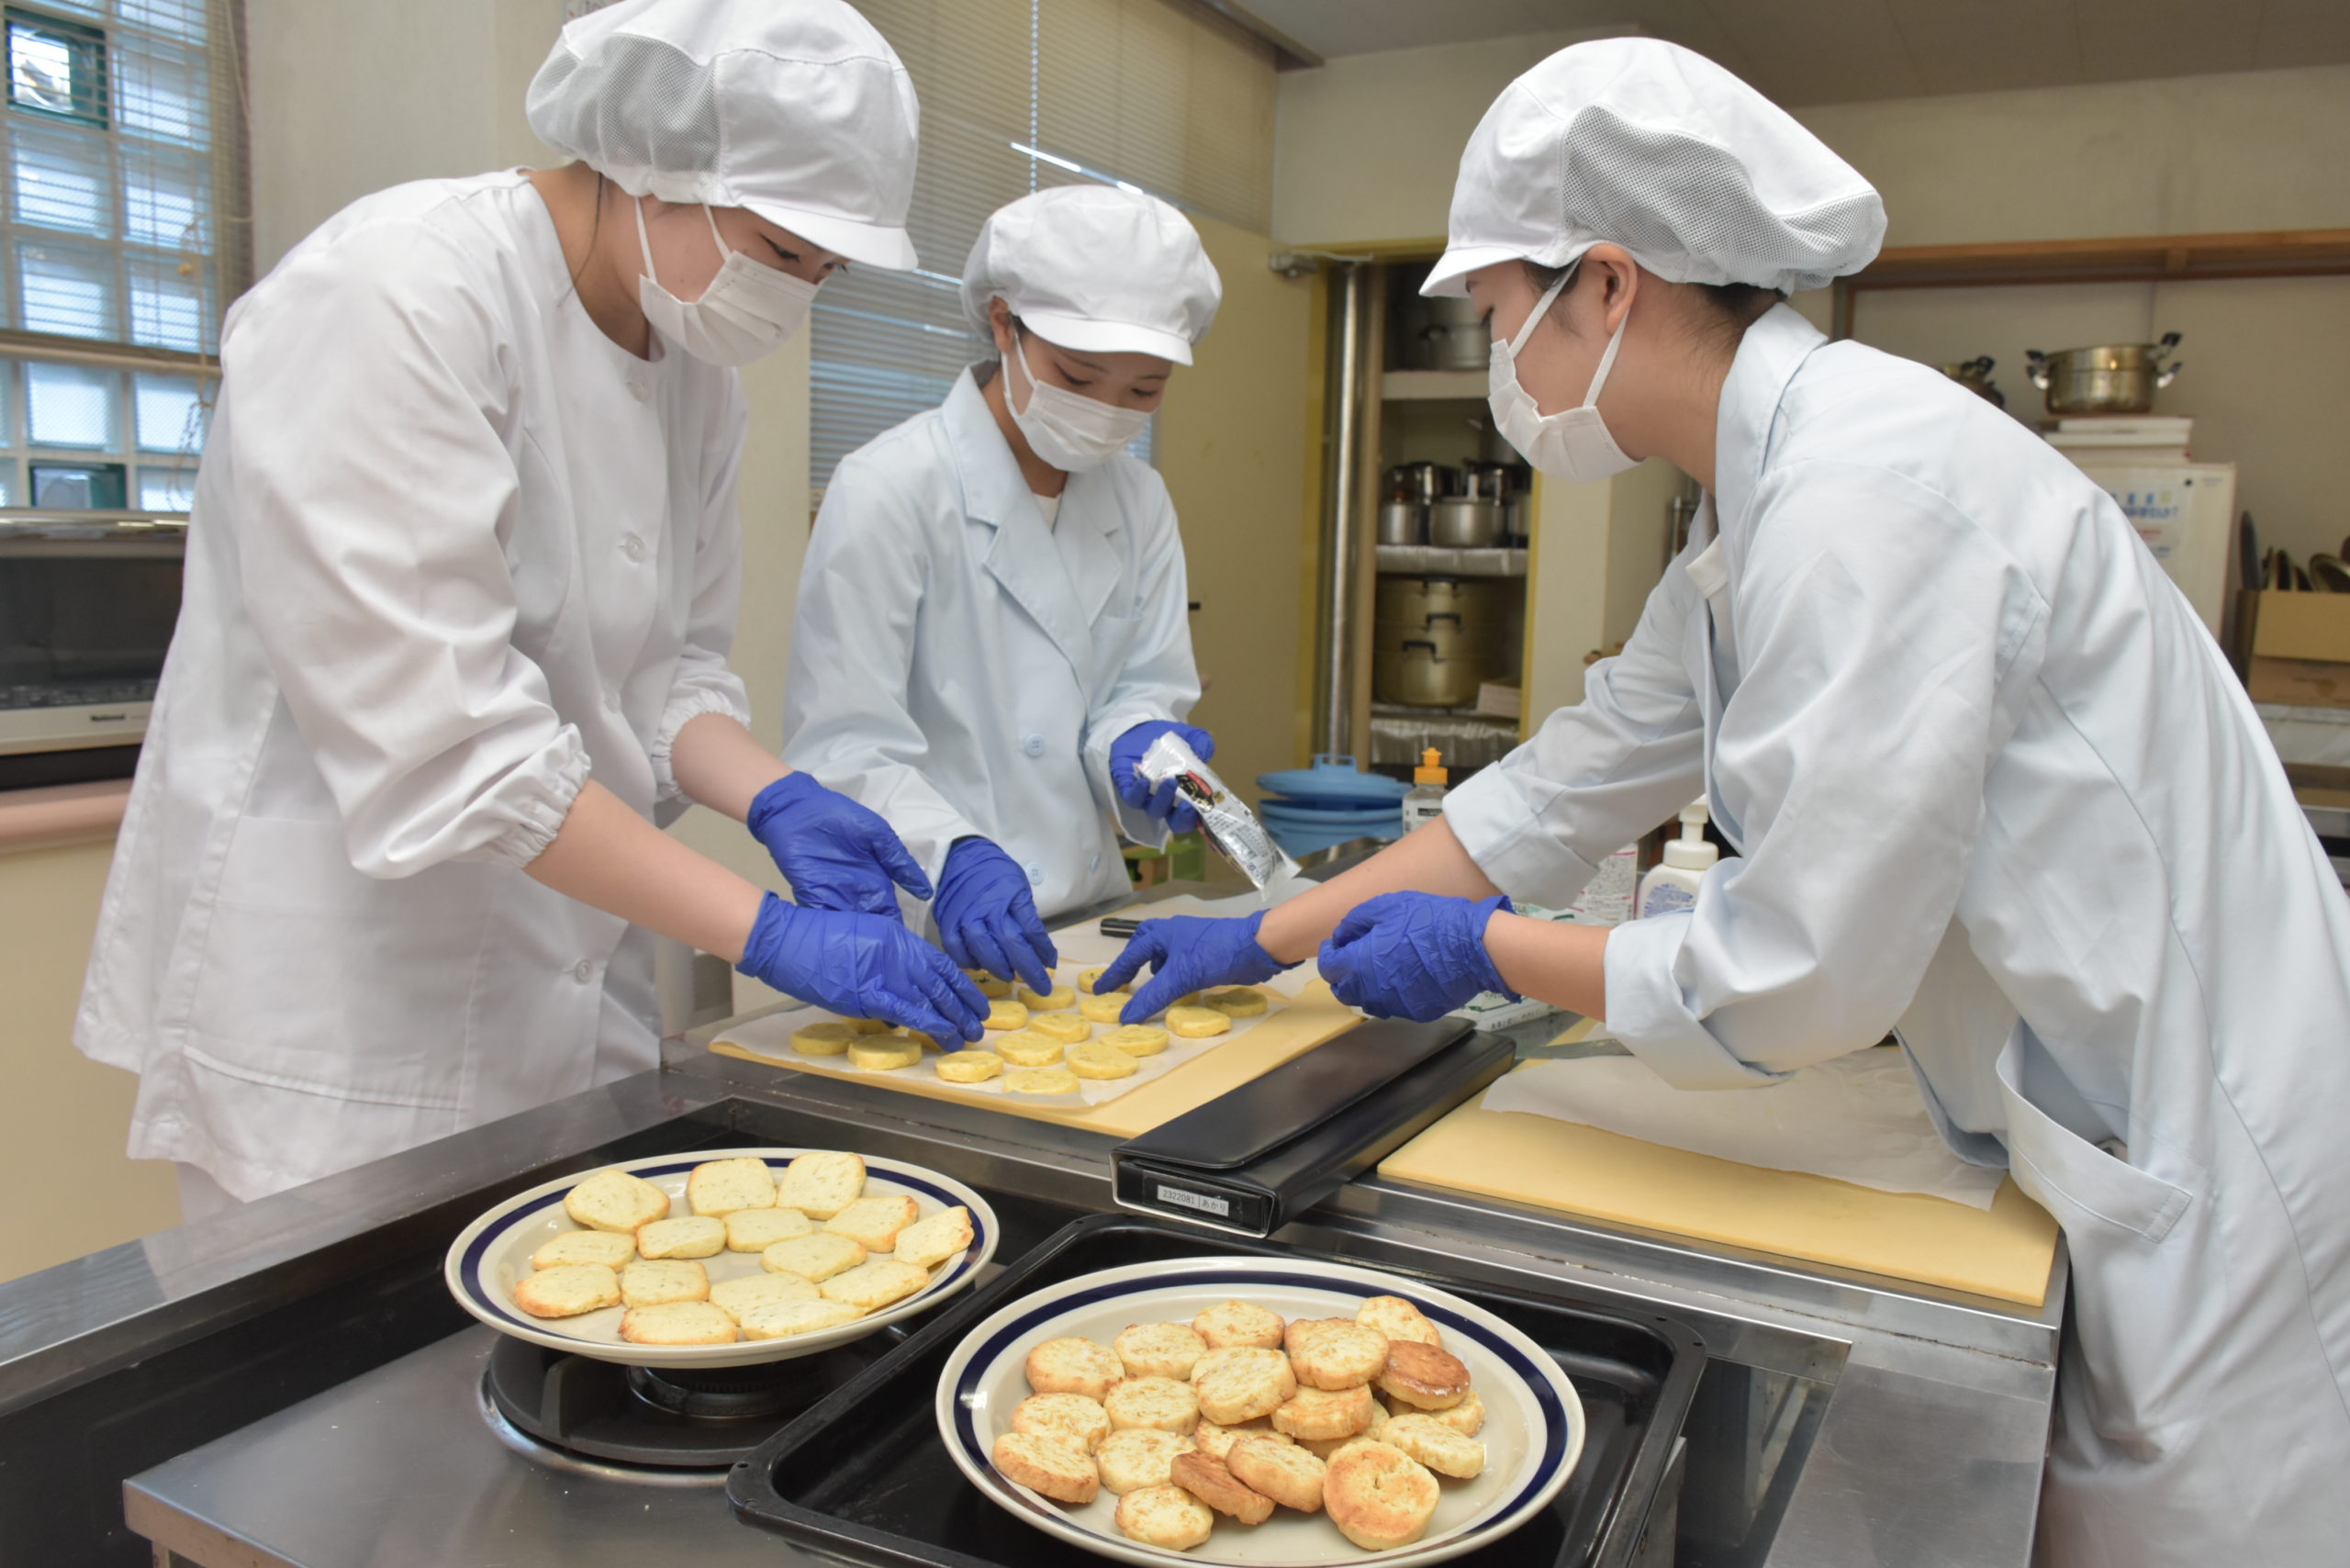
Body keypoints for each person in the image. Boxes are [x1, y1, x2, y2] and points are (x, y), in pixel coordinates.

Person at [1099, 38, 2350, 1565]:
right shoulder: (1761, 502)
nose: (1504, 364)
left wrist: (1491, 953)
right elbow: (1578, 773)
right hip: (2096, 1098)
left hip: (2220, 1143)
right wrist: (1273, 929)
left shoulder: (1861, 497)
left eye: (1499, 314)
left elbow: (1804, 969)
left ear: (1609, 286)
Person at [74, 0, 986, 1217]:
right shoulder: (396, 292)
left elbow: (667, 677)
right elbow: (453, 749)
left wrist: (775, 794)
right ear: (648, 163)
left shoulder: (695, 376)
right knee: (362, 1386)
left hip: (563, 988)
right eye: (779, 247)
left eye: (820, 269)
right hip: (348, 1014)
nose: (792, 295)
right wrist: (762, 932)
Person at [782, 185, 1222, 994]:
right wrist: (950, 853)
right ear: (1001, 321)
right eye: (1078, 376)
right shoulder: (889, 486)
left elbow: (1138, 689)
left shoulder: (1140, 499)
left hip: (1093, 922)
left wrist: (1143, 744)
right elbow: (843, 744)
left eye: (1143, 390)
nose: (1105, 412)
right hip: (931, 934)